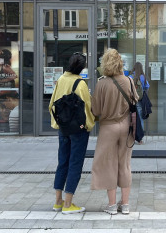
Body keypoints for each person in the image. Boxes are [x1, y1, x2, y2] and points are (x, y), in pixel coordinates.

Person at [91, 48, 139, 215]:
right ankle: (125, 204)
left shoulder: (101, 83)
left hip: (108, 128)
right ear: (120, 63)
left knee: (108, 165)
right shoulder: (129, 81)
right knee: (125, 165)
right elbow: (135, 101)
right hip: (126, 126)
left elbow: (96, 110)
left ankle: (111, 205)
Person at [50, 52, 95, 215]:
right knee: (75, 163)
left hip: (63, 128)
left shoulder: (61, 79)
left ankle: (58, 201)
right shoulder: (80, 84)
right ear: (82, 67)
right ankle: (68, 204)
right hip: (78, 130)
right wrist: (89, 125)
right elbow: (87, 108)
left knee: (62, 162)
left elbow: (52, 103)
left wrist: (57, 123)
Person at [130, 62, 150, 132]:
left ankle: (131, 132)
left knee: (130, 116)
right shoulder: (142, 77)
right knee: (140, 117)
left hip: (131, 99)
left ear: (134, 68)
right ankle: (140, 133)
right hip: (139, 99)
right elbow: (147, 86)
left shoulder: (130, 77)